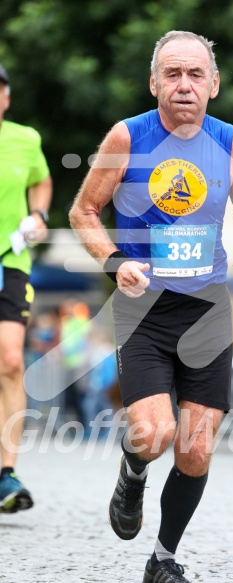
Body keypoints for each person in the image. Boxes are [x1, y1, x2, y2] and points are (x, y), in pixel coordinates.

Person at [69, 31, 233, 583]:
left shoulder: (232, 141)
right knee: (155, 435)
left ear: (213, 83)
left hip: (207, 308)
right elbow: (85, 212)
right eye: (173, 74)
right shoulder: (127, 137)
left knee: (196, 449)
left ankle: (162, 559)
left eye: (195, 75)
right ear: (155, 81)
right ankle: (133, 470)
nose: (184, 85)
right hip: (144, 309)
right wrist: (116, 262)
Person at [0, 64, 52, 512]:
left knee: (12, 359)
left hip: (9, 261)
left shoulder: (26, 139)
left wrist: (39, 215)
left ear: (6, 97)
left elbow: (42, 180)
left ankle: (6, 473)